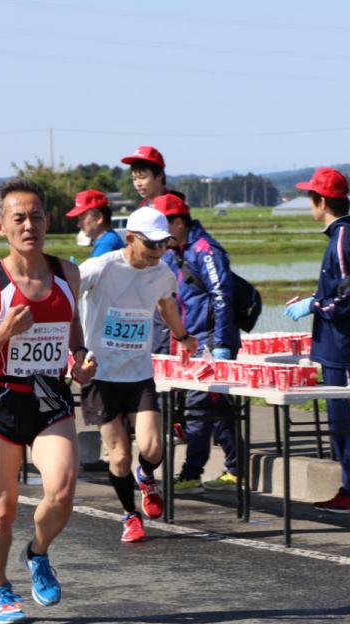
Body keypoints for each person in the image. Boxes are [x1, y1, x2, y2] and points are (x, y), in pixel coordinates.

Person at [0, 177, 95, 624]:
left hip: (50, 394)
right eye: (18, 218)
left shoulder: (67, 274)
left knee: (62, 491)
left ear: (48, 221)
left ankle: (37, 552)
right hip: (3, 400)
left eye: (36, 216)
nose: (29, 225)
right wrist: (3, 332)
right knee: (1, 511)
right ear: (1, 225)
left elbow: (73, 335)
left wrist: (79, 359)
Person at [77, 206, 197, 543]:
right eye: (151, 245)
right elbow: (66, 293)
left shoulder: (161, 272)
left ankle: (146, 476)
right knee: (118, 456)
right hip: (100, 374)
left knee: (153, 447)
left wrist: (183, 337)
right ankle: (130, 516)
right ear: (130, 238)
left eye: (164, 245)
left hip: (138, 372)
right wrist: (73, 350)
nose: (158, 252)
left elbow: (166, 304)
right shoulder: (100, 267)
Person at [283, 167, 350, 513]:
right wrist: (315, 297)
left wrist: (316, 305)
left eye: (311, 198)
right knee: (340, 423)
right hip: (337, 348)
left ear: (321, 201)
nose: (310, 205)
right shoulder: (342, 238)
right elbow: (340, 289)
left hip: (346, 348)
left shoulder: (342, 241)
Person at [152, 192, 241, 493]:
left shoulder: (205, 250)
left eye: (165, 229)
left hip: (211, 340)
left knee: (198, 408)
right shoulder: (176, 250)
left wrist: (223, 343)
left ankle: (192, 473)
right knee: (218, 406)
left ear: (178, 223)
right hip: (190, 341)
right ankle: (235, 468)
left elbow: (222, 297)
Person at [67, 189, 123, 257]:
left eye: (82, 219)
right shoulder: (105, 240)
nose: (78, 225)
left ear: (99, 218)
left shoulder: (106, 243)